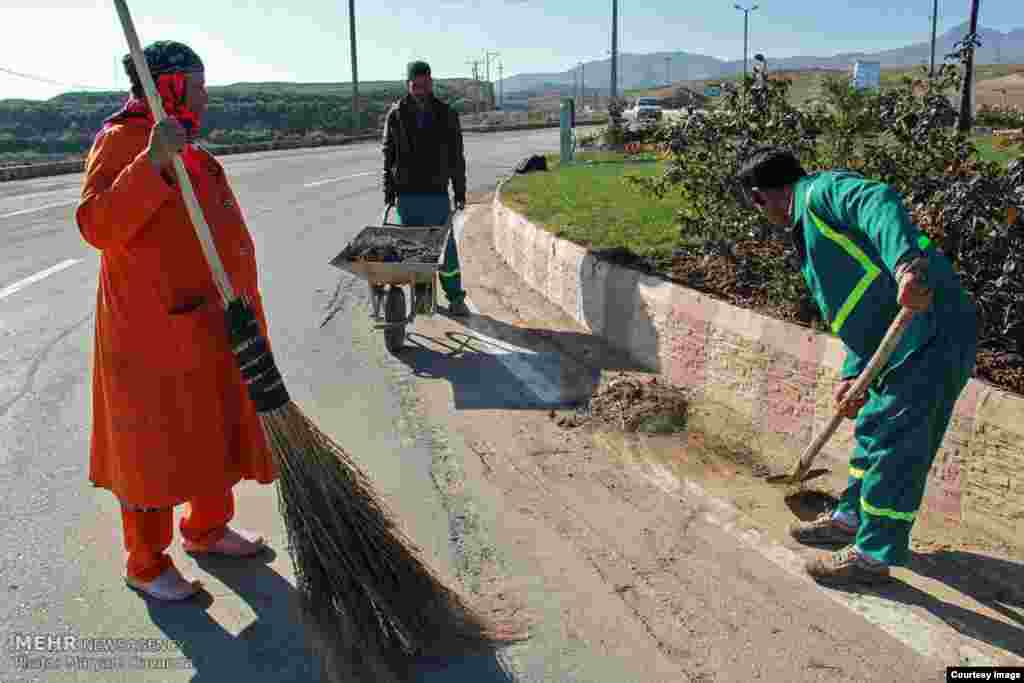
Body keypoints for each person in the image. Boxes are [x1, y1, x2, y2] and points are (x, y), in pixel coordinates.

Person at [75, 41, 274, 601]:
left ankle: (207, 529)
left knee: (209, 431)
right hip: (151, 337)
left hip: (208, 323)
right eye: (198, 83)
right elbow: (97, 225)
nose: (207, 95)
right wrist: (152, 161)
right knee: (154, 448)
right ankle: (145, 562)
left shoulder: (183, 140)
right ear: (169, 86)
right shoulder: (124, 141)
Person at [737, 147, 978, 586]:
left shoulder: (820, 193)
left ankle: (871, 556)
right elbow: (858, 311)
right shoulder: (808, 229)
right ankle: (849, 519)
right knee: (871, 431)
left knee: (896, 443)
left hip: (932, 332)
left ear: (759, 197)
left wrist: (906, 264)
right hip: (895, 342)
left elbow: (877, 199)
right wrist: (853, 372)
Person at [382, 60, 470, 317]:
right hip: (407, 194)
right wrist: (388, 189)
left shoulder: (446, 113)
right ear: (408, 85)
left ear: (431, 82)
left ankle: (455, 298)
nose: (420, 89)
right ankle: (423, 298)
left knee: (445, 250)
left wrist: (461, 191)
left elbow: (456, 156)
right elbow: (388, 154)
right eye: (415, 85)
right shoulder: (396, 114)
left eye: (424, 84)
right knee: (415, 249)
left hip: (436, 193)